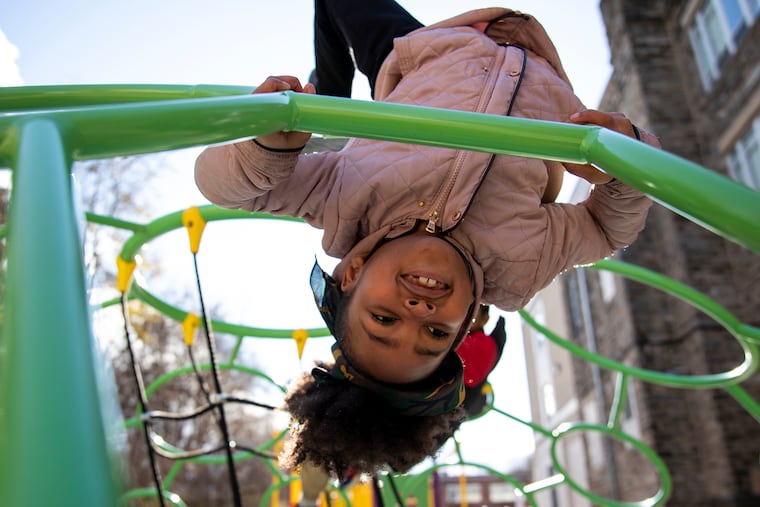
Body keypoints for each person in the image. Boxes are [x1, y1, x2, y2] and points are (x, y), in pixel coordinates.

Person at [195, 0, 658, 477]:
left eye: (384, 318)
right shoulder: (521, 265)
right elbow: (606, 229)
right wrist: (624, 165)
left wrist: (265, 150)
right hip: (536, 64)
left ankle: (328, 98)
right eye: (435, 335)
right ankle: (328, 106)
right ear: (463, 328)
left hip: (432, 57)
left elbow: (223, 187)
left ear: (351, 275)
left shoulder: (340, 201)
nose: (417, 313)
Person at [457, 305, 506, 418]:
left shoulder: (485, 344)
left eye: (472, 317)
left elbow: (471, 374)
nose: (465, 319)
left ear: (485, 319)